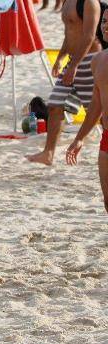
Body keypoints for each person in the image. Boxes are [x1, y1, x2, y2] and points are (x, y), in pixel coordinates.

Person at [27, 0, 103, 165]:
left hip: (89, 61)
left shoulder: (90, 3)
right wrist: (61, 57)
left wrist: (74, 66)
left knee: (99, 112)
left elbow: (89, 36)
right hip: (72, 61)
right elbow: (69, 34)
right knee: (55, 105)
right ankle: (48, 154)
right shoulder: (68, 2)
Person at [66, 9, 108, 213]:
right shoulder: (98, 60)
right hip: (107, 138)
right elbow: (96, 106)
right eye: (104, 21)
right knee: (107, 200)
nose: (106, 26)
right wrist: (80, 138)